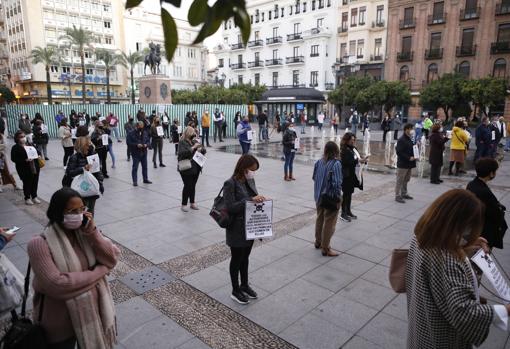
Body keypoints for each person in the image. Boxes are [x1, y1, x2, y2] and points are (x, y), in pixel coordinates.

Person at [405, 189, 509, 349]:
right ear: (459, 224)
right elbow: (465, 313)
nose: (471, 231)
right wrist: (506, 310)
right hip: (441, 338)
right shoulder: (448, 260)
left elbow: (435, 264)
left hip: (422, 323)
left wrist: (467, 245)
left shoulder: (421, 237)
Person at [27, 187, 119, 349]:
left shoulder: (85, 233)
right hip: (60, 324)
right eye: (72, 211)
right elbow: (58, 285)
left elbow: (112, 257)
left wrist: (93, 233)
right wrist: (100, 271)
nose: (78, 215)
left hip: (93, 315)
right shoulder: (39, 244)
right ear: (58, 213)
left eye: (82, 209)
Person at [223, 154, 265, 304]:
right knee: (236, 259)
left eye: (254, 171)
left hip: (250, 227)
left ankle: (244, 285)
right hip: (236, 228)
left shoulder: (249, 180)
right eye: (251, 170)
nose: (253, 173)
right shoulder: (230, 183)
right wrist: (250, 200)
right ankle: (235, 290)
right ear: (243, 168)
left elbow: (253, 199)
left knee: (245, 258)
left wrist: (259, 199)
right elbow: (230, 207)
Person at [466, 158, 508, 249]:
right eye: (495, 171)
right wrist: (500, 208)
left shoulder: (472, 184)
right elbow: (495, 214)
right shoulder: (484, 192)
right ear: (491, 173)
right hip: (484, 231)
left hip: (474, 225)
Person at [66, 127, 104, 215]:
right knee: (82, 212)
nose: (89, 147)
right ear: (81, 146)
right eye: (87, 145)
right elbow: (69, 173)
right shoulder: (74, 157)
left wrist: (100, 183)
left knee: (91, 212)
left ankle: (90, 227)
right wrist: (82, 169)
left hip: (92, 188)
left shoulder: (93, 154)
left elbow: (98, 171)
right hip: (80, 189)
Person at [313, 141, 342, 257]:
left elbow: (314, 177)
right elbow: (337, 183)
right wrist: (338, 197)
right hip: (330, 197)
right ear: (336, 151)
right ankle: (326, 248)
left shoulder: (319, 162)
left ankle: (318, 242)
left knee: (320, 218)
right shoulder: (336, 164)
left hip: (318, 196)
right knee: (329, 222)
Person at [178, 126, 206, 212]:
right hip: (186, 167)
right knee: (187, 186)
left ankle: (192, 203)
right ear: (188, 133)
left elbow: (204, 151)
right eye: (193, 132)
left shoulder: (194, 141)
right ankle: (183, 204)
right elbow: (182, 153)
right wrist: (193, 148)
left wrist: (201, 149)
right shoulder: (182, 142)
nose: (194, 134)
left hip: (195, 167)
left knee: (193, 185)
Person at [11, 130, 42, 205]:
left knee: (35, 182)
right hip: (24, 168)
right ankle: (27, 198)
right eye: (21, 137)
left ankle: (34, 196)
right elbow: (14, 159)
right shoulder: (15, 147)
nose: (23, 138)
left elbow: (38, 152)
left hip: (34, 166)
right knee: (27, 183)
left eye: (24, 136)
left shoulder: (30, 144)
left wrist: (38, 155)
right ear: (17, 138)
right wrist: (24, 160)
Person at [340, 132, 366, 222]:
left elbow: (357, 158)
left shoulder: (353, 149)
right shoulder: (343, 149)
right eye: (351, 139)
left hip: (353, 174)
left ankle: (348, 211)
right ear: (347, 140)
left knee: (350, 193)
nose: (353, 141)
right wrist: (358, 161)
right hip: (346, 175)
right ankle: (343, 213)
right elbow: (346, 162)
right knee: (346, 194)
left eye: (354, 139)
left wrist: (363, 160)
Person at [395, 124, 416, 204]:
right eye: (410, 128)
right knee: (400, 180)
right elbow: (399, 152)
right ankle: (397, 195)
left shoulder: (410, 138)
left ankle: (404, 193)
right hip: (403, 163)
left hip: (409, 164)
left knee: (406, 179)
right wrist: (408, 157)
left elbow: (411, 148)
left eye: (412, 128)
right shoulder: (401, 139)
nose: (411, 130)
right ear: (406, 129)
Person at [127, 121, 152, 187]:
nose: (141, 128)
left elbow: (148, 141)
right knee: (135, 167)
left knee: (145, 167)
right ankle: (135, 181)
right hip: (135, 153)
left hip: (144, 152)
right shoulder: (131, 133)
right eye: (140, 127)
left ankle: (145, 179)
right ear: (137, 126)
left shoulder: (145, 132)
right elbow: (128, 142)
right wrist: (136, 145)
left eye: (142, 126)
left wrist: (147, 144)